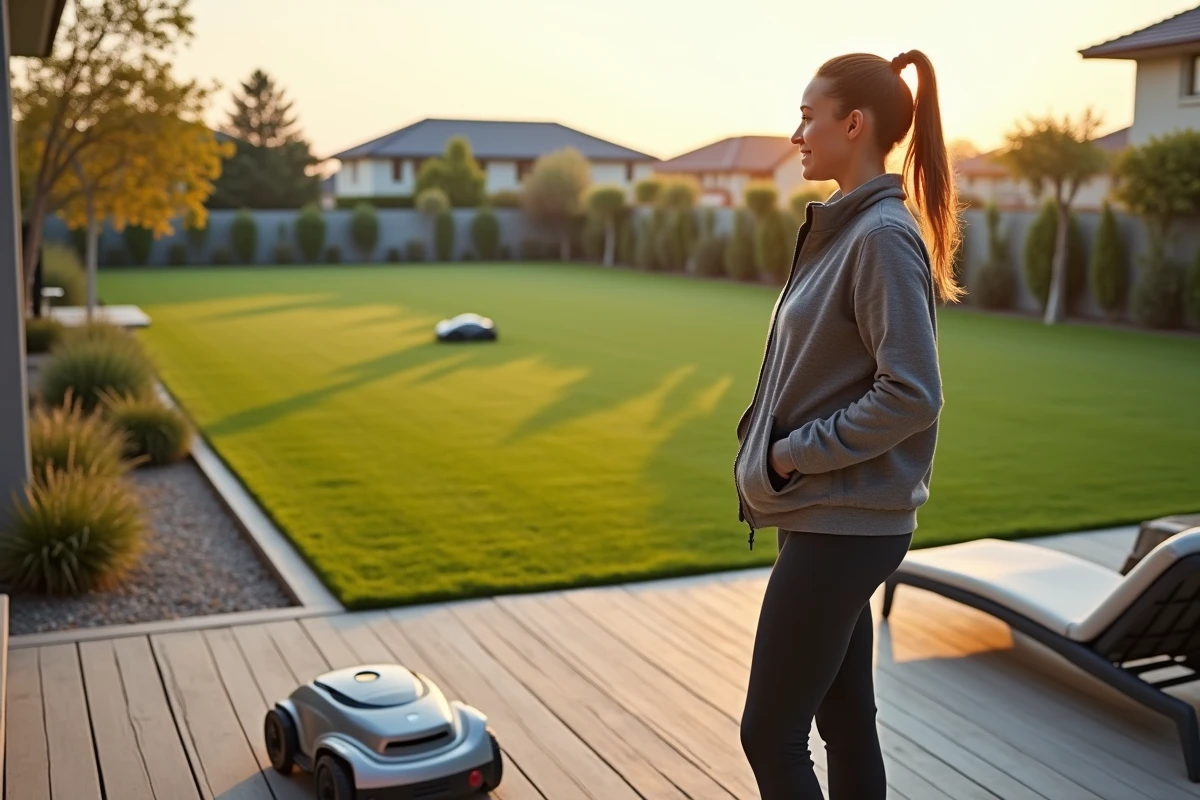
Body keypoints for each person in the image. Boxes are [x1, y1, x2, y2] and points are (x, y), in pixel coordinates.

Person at [732, 50, 963, 799]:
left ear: (853, 123)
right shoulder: (849, 229)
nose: (796, 133)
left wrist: (794, 455)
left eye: (808, 115)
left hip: (843, 520)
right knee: (846, 721)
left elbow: (912, 392)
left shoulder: (880, 237)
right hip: (827, 517)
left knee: (769, 736)